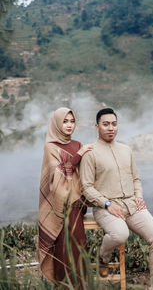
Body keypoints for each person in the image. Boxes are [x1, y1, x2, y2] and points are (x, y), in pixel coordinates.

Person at [80, 108, 153, 290]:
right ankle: (102, 258)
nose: (110, 128)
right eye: (105, 124)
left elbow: (136, 178)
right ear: (97, 127)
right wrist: (107, 203)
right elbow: (86, 188)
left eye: (114, 124)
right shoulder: (90, 153)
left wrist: (139, 197)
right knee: (120, 234)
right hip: (105, 207)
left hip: (132, 204)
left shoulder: (126, 150)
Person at [37, 107, 93, 289]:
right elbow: (57, 176)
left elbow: (85, 173)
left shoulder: (77, 144)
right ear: (56, 123)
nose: (69, 125)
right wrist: (79, 154)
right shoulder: (50, 147)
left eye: (72, 121)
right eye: (65, 121)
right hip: (60, 208)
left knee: (78, 247)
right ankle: (64, 286)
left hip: (76, 204)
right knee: (63, 250)